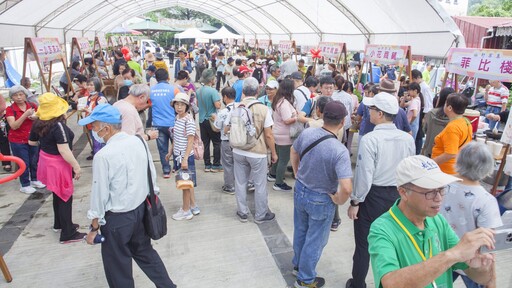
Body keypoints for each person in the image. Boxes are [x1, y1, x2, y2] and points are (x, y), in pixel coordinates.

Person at [81, 104, 176, 288]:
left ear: (106, 128)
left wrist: (94, 227)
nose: (92, 131)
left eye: (93, 126)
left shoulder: (103, 156)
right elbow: (151, 172)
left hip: (117, 219)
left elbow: (99, 195)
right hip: (140, 210)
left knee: (118, 268)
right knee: (145, 253)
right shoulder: (138, 141)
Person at [368, 155, 496, 288]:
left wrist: (480, 267)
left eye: (441, 189)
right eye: (430, 192)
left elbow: (481, 278)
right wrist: (452, 255)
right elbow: (390, 283)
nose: (439, 198)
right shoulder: (382, 229)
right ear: (404, 192)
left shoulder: (437, 220)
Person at [346, 92, 415, 288]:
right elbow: (410, 170)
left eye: (371, 109)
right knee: (395, 242)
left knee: (364, 245)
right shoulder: (407, 139)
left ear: (381, 113)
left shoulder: (370, 139)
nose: (368, 112)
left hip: (373, 196)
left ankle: (357, 283)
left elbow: (365, 175)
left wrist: (355, 202)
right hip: (399, 196)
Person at [291, 101, 353, 288]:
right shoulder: (339, 150)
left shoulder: (308, 132)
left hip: (301, 190)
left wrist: (297, 173)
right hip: (321, 198)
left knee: (301, 230)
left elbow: (294, 151)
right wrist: (338, 200)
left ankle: (298, 265)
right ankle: (305, 279)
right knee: (315, 239)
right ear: (342, 122)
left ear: (322, 115)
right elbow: (347, 188)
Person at [441, 142, 502, 288]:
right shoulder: (486, 200)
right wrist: (491, 279)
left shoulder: (441, 186)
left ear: (459, 160)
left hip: (442, 254)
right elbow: (489, 244)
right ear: (488, 167)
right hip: (472, 260)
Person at [29, 93, 86, 243]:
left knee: (57, 194)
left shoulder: (39, 122)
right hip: (58, 163)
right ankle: (68, 233)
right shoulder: (58, 125)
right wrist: (76, 166)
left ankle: (59, 224)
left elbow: (31, 142)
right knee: (65, 195)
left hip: (46, 161)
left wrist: (46, 144)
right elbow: (64, 150)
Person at [225, 77, 278, 224]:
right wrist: (273, 153)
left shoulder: (236, 107)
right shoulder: (263, 109)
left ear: (243, 91)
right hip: (257, 152)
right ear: (257, 91)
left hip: (238, 150)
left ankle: (242, 212)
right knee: (260, 184)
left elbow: (226, 128)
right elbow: (268, 134)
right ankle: (261, 215)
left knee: (240, 183)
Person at [166, 93, 199, 220]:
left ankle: (186, 210)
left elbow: (190, 141)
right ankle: (191, 206)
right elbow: (175, 138)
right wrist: (170, 152)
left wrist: (185, 158)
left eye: (182, 105)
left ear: (187, 106)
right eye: (177, 104)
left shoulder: (188, 121)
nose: (179, 107)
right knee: (185, 183)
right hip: (178, 156)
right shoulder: (177, 118)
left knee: (185, 185)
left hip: (185, 157)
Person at [5, 85, 44, 194]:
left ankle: (35, 179)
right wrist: (25, 115)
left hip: (33, 137)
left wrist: (36, 117)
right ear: (11, 97)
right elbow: (13, 125)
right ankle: (25, 184)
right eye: (15, 95)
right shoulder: (10, 109)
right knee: (24, 162)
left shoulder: (32, 105)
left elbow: (41, 117)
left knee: (34, 160)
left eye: (21, 94)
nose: (19, 97)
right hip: (18, 140)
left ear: (25, 95)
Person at [150, 68, 182, 177]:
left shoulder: (151, 90)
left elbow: (149, 104)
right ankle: (176, 167)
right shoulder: (174, 90)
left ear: (156, 78)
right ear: (168, 77)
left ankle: (166, 170)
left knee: (162, 148)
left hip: (158, 124)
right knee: (176, 146)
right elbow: (181, 103)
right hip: (172, 123)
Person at [431, 93, 472, 175]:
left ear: (449, 108)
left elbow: (450, 153)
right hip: (456, 166)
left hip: (446, 170)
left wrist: (432, 163)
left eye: (445, 103)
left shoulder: (453, 128)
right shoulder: (466, 121)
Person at [268, 79, 297, 191]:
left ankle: (272, 174)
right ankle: (279, 183)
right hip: (284, 135)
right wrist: (296, 117)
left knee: (278, 157)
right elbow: (286, 120)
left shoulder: (278, 100)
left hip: (277, 133)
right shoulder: (284, 103)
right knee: (283, 160)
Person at [197, 69, 222, 172]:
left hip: (201, 120)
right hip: (211, 120)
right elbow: (217, 105)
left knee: (205, 143)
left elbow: (198, 105)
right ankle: (216, 165)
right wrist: (219, 103)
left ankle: (207, 164)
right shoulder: (213, 91)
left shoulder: (198, 90)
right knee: (216, 142)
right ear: (211, 79)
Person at [214, 87, 237, 194]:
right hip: (239, 141)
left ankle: (229, 186)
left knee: (228, 164)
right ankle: (240, 184)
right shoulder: (241, 108)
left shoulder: (222, 112)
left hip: (227, 141)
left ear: (225, 97)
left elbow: (217, 127)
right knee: (239, 163)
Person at [422, 87, 454, 157]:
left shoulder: (431, 113)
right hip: (445, 154)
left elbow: (424, 130)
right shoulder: (453, 117)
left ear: (441, 98)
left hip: (429, 150)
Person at [82, 77, 108, 160]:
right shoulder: (89, 98)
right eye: (88, 85)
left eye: (91, 85)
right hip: (91, 125)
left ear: (97, 86)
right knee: (95, 141)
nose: (89, 87)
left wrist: (88, 111)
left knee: (101, 143)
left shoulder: (100, 99)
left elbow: (101, 113)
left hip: (100, 126)